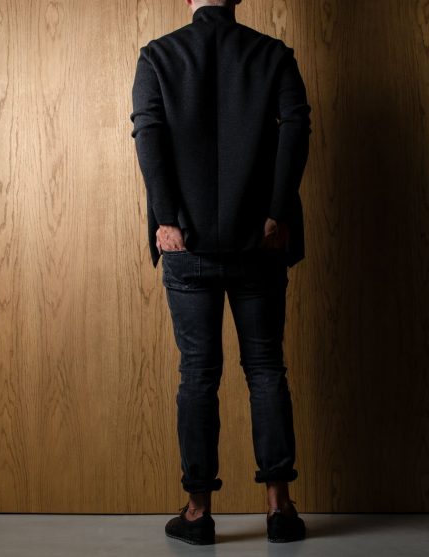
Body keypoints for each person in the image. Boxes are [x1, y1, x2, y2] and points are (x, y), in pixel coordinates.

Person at [130, 0, 311, 545]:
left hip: (186, 242)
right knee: (266, 369)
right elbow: (296, 130)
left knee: (197, 375)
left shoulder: (158, 56)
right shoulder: (273, 54)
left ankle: (197, 513)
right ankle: (280, 509)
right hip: (260, 240)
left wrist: (167, 219)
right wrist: (276, 212)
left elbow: (149, 135)